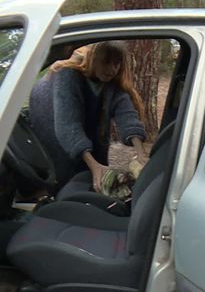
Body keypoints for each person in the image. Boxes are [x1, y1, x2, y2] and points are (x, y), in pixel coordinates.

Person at [29, 41, 148, 192]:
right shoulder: (67, 74)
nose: (112, 69)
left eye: (117, 64)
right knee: (68, 185)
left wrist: (141, 153)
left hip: (91, 140)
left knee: (99, 183)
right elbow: (68, 126)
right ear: (92, 58)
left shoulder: (113, 85)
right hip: (60, 142)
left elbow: (128, 116)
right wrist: (94, 166)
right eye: (106, 62)